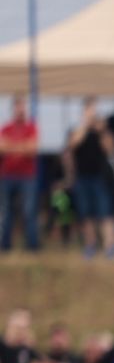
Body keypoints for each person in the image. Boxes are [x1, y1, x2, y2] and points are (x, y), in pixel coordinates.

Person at [66, 101, 114, 260]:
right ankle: (90, 246)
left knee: (106, 213)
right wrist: (85, 125)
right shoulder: (77, 130)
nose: (92, 115)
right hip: (82, 178)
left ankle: (110, 247)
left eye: (94, 112)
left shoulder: (102, 131)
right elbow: (72, 144)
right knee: (85, 214)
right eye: (89, 112)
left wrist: (102, 130)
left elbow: (111, 148)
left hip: (99, 178)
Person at [1, 96, 40, 252]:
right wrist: (23, 146)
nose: (20, 110)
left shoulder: (32, 127)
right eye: (18, 106)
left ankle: (32, 246)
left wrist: (11, 146)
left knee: (29, 211)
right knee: (6, 211)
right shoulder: (5, 127)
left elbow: (33, 149)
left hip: (27, 177)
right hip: (6, 176)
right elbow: (1, 147)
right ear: (13, 109)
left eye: (23, 106)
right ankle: (5, 245)